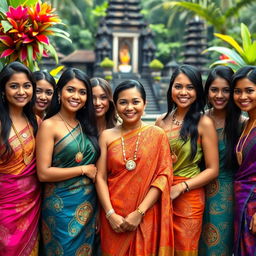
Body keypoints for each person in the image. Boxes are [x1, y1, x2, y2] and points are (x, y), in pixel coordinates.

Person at [96, 80, 174, 255]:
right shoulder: (107, 136)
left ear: (145, 104)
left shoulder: (157, 135)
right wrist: (110, 214)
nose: (129, 107)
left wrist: (139, 213)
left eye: (135, 102)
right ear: (115, 106)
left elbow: (163, 177)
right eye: (123, 102)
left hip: (145, 216)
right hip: (113, 217)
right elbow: (100, 177)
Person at [155, 64, 219, 255]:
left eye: (190, 87)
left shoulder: (204, 123)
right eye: (178, 86)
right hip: (161, 194)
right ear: (171, 89)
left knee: (185, 249)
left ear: (198, 91)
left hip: (188, 198)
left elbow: (212, 169)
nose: (184, 92)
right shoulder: (160, 122)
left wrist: (182, 187)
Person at [36, 68, 100, 256]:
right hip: (60, 209)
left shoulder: (87, 125)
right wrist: (83, 169)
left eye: (82, 92)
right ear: (59, 92)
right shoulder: (49, 125)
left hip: (88, 206)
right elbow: (43, 173)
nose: (76, 96)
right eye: (70, 90)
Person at [199, 66, 242, 255]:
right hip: (196, 192)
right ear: (207, 91)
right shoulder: (197, 121)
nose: (219, 95)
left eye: (226, 90)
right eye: (214, 89)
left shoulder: (242, 124)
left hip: (228, 196)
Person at [0, 62, 41, 255]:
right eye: (14, 86)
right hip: (4, 206)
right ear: (3, 90)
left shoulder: (36, 122)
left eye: (26, 85)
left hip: (32, 206)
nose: (21, 91)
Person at [232, 66, 256, 256]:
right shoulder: (245, 123)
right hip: (242, 203)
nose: (242, 96)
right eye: (238, 91)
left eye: (249, 91)